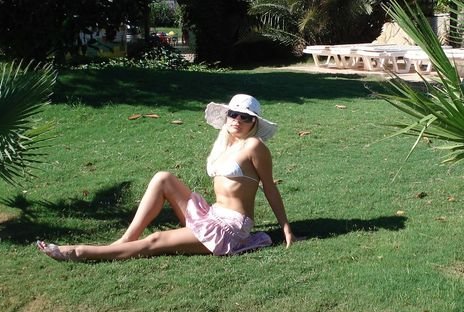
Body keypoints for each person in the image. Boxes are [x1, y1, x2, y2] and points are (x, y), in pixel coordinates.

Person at [37, 94, 296, 261]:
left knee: (157, 240)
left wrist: (286, 229)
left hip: (230, 227)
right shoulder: (225, 146)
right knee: (163, 178)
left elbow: (270, 188)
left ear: (253, 123)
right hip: (211, 214)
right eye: (234, 114)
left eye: (245, 117)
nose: (238, 120)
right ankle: (126, 240)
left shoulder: (254, 147)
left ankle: (80, 251)